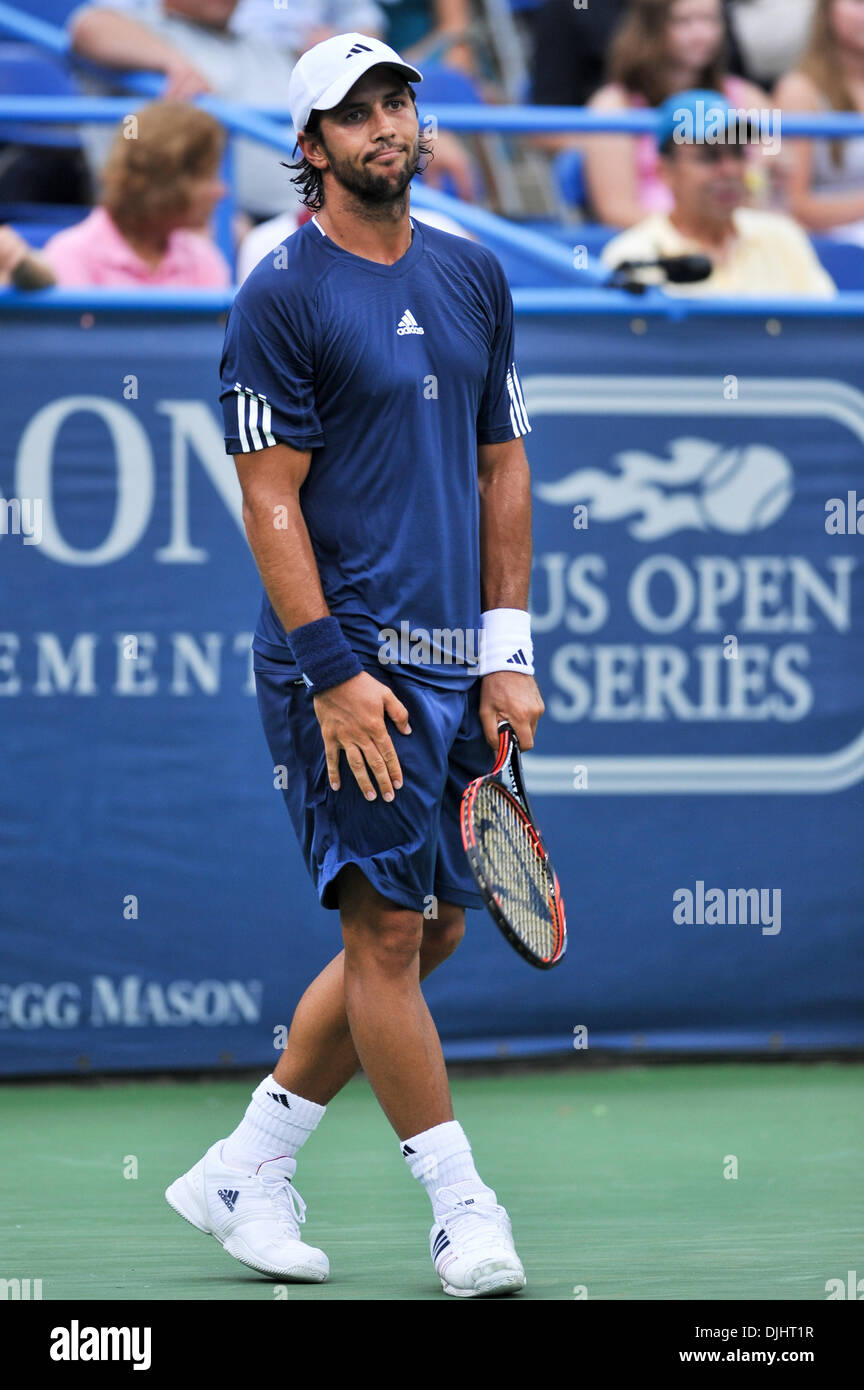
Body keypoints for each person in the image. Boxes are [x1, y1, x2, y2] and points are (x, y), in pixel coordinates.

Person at [164, 33, 541, 1298]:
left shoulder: (477, 273)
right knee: (386, 927)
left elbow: (502, 464)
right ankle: (462, 1207)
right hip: (346, 665)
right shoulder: (278, 290)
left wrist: (506, 650)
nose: (389, 123)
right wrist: (328, 668)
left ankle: (245, 1166)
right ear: (312, 146)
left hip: (450, 665)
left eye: (400, 102)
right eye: (357, 111)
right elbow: (268, 496)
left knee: (433, 926)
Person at [601, 89, 836, 295]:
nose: (730, 170)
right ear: (665, 171)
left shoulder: (784, 237)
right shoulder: (632, 256)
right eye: (708, 157)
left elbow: (827, 333)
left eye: (737, 153)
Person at [0, 102, 230, 288]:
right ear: (166, 183)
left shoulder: (204, 259)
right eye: (206, 176)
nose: (221, 190)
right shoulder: (71, 255)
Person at [584, 0, 767, 227]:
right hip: (655, 247)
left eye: (710, 19)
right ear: (651, 26)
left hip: (738, 242)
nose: (701, 34)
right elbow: (616, 209)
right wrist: (689, 236)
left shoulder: (750, 98)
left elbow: (767, 189)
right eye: (683, 21)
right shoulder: (612, 106)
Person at [774, 0, 864, 246]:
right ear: (827, 10)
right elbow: (794, 203)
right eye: (857, 2)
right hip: (833, 248)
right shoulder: (800, 91)